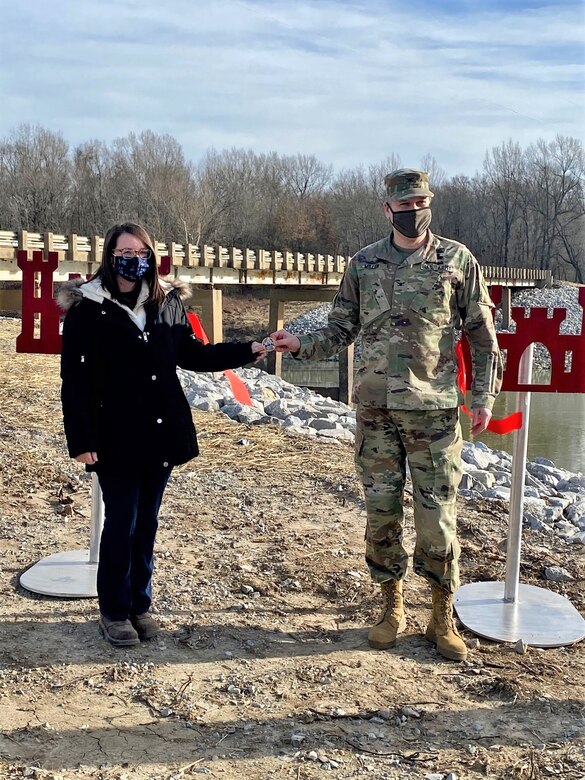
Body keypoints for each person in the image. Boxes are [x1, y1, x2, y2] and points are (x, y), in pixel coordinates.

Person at [271, 169, 502, 662]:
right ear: (387, 209)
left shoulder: (457, 260)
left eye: (420, 201)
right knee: (381, 514)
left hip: (435, 412)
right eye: (404, 204)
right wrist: (301, 344)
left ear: (430, 205)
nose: (413, 211)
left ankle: (441, 611)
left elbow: (483, 335)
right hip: (375, 412)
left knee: (437, 520)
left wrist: (482, 397)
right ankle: (390, 604)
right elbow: (339, 328)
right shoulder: (364, 263)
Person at [58, 222, 266, 647]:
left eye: (141, 251)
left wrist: (251, 349)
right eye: (124, 251)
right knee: (122, 523)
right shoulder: (87, 307)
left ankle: (140, 603)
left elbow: (193, 354)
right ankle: (114, 611)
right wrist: (81, 441)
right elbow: (74, 379)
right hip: (113, 435)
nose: (133, 259)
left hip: (160, 432)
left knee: (147, 522)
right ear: (110, 255)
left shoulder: (166, 302)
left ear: (151, 255)